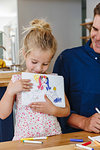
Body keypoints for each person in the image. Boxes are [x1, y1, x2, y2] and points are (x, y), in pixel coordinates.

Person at [0, 19, 70, 140]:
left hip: (53, 138)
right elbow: (3, 114)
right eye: (34, 62)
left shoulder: (53, 80)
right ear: (25, 54)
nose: (38, 69)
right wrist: (10, 91)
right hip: (24, 141)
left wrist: (53, 110)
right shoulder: (17, 79)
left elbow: (66, 111)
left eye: (45, 64)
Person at [53, 3, 100, 134]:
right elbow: (54, 107)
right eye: (95, 29)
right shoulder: (68, 59)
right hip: (74, 141)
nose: (98, 38)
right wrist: (85, 122)